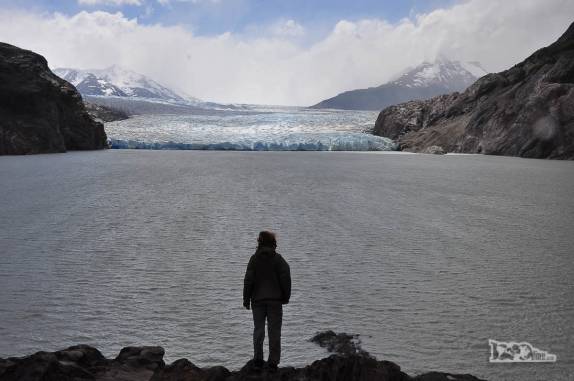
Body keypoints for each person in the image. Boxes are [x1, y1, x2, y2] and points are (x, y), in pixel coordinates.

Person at [243, 231, 291, 371]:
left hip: (257, 300)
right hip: (275, 301)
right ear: (273, 242)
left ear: (260, 242)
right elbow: (286, 279)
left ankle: (258, 360)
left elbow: (248, 281)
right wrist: (285, 297)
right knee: (274, 331)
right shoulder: (278, 260)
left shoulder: (254, 259)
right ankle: (273, 362)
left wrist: (246, 299)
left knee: (258, 330)